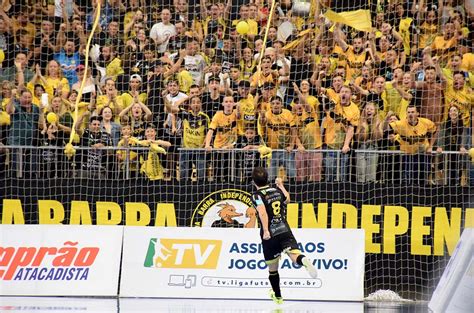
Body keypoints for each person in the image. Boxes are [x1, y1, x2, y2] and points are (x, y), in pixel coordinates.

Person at [251, 167, 317, 304]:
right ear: (267, 178)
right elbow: (287, 200)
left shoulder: (257, 195)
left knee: (273, 269)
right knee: (294, 256)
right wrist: (281, 185)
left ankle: (278, 297)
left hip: (271, 234)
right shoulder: (276, 190)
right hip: (284, 229)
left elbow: (262, 212)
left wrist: (266, 231)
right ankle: (303, 260)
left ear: (253, 182)